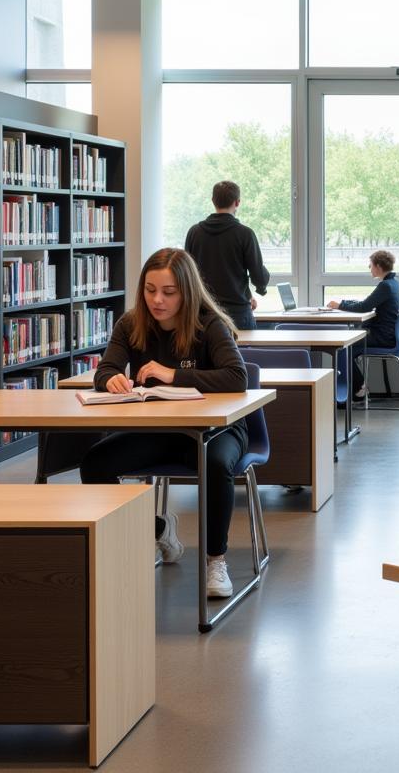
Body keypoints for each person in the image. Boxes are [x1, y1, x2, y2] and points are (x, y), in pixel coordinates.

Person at [79, 248, 250, 599]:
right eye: (149, 289)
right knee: (95, 463)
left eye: (168, 292)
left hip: (220, 430)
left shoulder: (208, 324)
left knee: (215, 464)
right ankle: (157, 528)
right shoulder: (131, 323)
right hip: (163, 431)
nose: (157, 300)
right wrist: (111, 379)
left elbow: (236, 377)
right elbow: (106, 370)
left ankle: (215, 559)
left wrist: (173, 374)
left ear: (186, 292)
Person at [184, 180, 269, 330]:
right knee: (243, 354)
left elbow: (186, 273)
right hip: (237, 315)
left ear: (213, 201)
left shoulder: (194, 232)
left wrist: (248, 294)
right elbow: (258, 276)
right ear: (237, 202)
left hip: (202, 314)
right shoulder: (245, 234)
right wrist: (260, 287)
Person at [328, 249, 399, 401]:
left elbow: (364, 307)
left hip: (382, 337)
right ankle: (357, 387)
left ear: (378, 266)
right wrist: (343, 303)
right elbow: (366, 303)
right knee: (347, 345)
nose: (369, 268)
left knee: (343, 346)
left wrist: (340, 305)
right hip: (387, 334)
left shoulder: (385, 286)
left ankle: (358, 389)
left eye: (371, 265)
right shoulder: (393, 283)